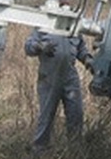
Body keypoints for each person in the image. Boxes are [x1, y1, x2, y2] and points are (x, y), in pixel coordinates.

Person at [25, 21, 92, 151]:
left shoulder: (73, 25)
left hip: (70, 77)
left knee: (76, 113)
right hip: (49, 76)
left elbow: (81, 49)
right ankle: (39, 149)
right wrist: (40, 46)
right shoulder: (45, 23)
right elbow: (28, 47)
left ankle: (75, 150)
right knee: (47, 114)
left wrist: (88, 60)